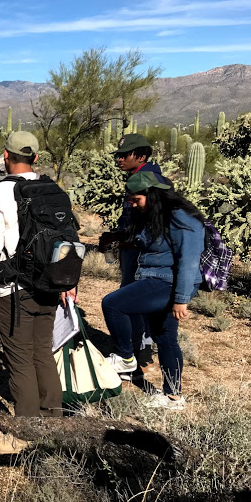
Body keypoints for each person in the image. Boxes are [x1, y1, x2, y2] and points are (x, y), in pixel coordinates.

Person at [0, 131, 75, 453]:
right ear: (36, 158)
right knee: (42, 352)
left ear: (6, 155)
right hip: (49, 286)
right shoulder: (53, 190)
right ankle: (53, 423)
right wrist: (67, 283)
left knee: (19, 360)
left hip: (14, 292)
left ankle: (24, 435)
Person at [101, 171, 204, 410]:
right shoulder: (155, 215)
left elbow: (189, 260)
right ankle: (173, 397)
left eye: (136, 199)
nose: (133, 204)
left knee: (113, 304)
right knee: (165, 337)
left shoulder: (181, 218)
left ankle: (126, 358)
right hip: (157, 280)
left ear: (152, 195)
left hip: (167, 283)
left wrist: (181, 299)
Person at [99, 134, 171, 376]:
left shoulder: (149, 181)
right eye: (118, 155)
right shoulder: (138, 178)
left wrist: (120, 238)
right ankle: (140, 351)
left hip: (142, 254)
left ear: (140, 156)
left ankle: (134, 354)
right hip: (133, 249)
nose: (119, 159)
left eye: (124, 155)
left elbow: (147, 227)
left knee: (131, 301)